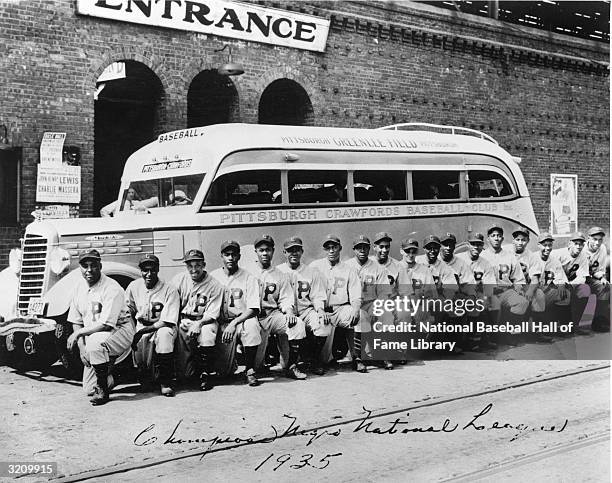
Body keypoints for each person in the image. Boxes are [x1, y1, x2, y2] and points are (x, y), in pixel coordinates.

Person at [66, 249, 134, 406]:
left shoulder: (111, 287)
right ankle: (118, 375)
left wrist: (78, 336)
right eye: (85, 266)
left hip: (120, 331)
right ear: (80, 268)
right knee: (89, 388)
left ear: (100, 266)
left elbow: (106, 325)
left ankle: (103, 390)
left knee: (95, 342)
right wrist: (82, 348)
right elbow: (76, 321)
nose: (89, 270)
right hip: (96, 338)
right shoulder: (78, 287)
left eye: (93, 265)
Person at [250, 235, 307, 380]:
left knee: (297, 324)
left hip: (272, 314)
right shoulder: (248, 273)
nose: (264, 253)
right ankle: (252, 368)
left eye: (268, 250)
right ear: (255, 251)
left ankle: (292, 366)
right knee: (257, 367)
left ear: (273, 251)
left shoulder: (279, 275)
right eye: (261, 250)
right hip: (254, 317)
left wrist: (289, 312)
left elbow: (286, 298)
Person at [126, 254, 180, 397]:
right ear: (141, 271)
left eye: (153, 269)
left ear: (158, 269)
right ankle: (145, 375)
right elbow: (127, 310)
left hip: (161, 326)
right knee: (144, 373)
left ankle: (165, 381)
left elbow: (168, 320)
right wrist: (132, 329)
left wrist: (144, 330)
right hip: (141, 325)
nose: (149, 274)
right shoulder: (134, 286)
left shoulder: (169, 289)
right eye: (145, 270)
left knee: (164, 336)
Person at [171, 249, 224, 391]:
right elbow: (172, 302)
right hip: (185, 319)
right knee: (185, 375)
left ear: (204, 265)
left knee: (207, 334)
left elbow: (213, 313)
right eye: (190, 265)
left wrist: (199, 324)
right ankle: (188, 372)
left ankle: (206, 374)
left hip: (205, 320)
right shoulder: (179, 279)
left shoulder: (214, 284)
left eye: (198, 265)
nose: (194, 269)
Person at [211, 241, 262, 386]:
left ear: (239, 256)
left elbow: (253, 308)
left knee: (252, 326)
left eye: (234, 254)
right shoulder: (213, 276)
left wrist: (234, 323)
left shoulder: (248, 277)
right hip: (221, 323)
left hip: (241, 320)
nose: (231, 258)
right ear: (222, 256)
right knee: (224, 372)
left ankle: (250, 369)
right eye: (227, 254)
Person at [277, 236, 331, 376]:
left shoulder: (311, 271)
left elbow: (317, 296)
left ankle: (313, 359)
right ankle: (292, 363)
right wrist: (287, 312)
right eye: (290, 250)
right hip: (284, 314)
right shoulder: (278, 271)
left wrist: (320, 310)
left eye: (297, 250)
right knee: (283, 363)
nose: (294, 253)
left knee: (323, 323)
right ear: (284, 252)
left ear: (302, 251)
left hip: (306, 310)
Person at [310, 235, 362, 371]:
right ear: (324, 249)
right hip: (322, 309)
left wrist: (356, 310)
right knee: (325, 358)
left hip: (341, 309)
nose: (331, 250)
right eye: (328, 248)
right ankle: (317, 360)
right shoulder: (315, 266)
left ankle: (357, 357)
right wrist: (319, 310)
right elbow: (311, 292)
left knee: (359, 316)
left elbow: (356, 295)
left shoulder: (349, 269)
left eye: (334, 247)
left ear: (340, 248)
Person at [345, 235, 393, 371]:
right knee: (361, 317)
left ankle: (381, 354)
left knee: (386, 314)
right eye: (359, 247)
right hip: (351, 305)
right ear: (354, 249)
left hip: (370, 302)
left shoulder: (377, 267)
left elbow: (384, 292)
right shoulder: (347, 266)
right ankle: (357, 357)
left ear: (369, 249)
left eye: (365, 247)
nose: (362, 250)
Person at [480, 226, 529, 331]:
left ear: (502, 238)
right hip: (488, 292)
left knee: (522, 302)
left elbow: (518, 278)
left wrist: (519, 287)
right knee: (487, 305)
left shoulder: (510, 256)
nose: (496, 238)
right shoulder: (482, 256)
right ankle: (490, 335)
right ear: (488, 239)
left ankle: (509, 332)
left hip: (505, 291)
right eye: (493, 236)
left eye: (499, 236)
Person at [457, 233, 497, 350]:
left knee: (491, 303)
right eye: (473, 244)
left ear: (482, 246)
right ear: (467, 244)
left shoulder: (485, 263)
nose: (476, 247)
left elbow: (489, 286)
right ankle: (465, 340)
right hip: (459, 293)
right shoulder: (459, 258)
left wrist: (487, 298)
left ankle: (484, 339)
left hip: (477, 293)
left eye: (479, 244)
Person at [550, 232, 591, 333]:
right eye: (576, 243)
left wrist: (570, 285)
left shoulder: (583, 256)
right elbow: (551, 271)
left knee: (585, 289)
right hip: (555, 283)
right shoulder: (557, 254)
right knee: (562, 294)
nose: (578, 246)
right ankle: (559, 324)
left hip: (570, 284)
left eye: (581, 244)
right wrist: (560, 283)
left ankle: (577, 324)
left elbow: (582, 277)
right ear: (569, 244)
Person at [584, 226, 610, 332]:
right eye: (595, 239)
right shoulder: (583, 249)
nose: (597, 243)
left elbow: (600, 269)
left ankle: (599, 321)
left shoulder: (602, 248)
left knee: (604, 287)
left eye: (600, 240)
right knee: (582, 290)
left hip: (592, 276)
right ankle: (579, 322)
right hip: (579, 277)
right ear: (589, 238)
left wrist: (602, 278)